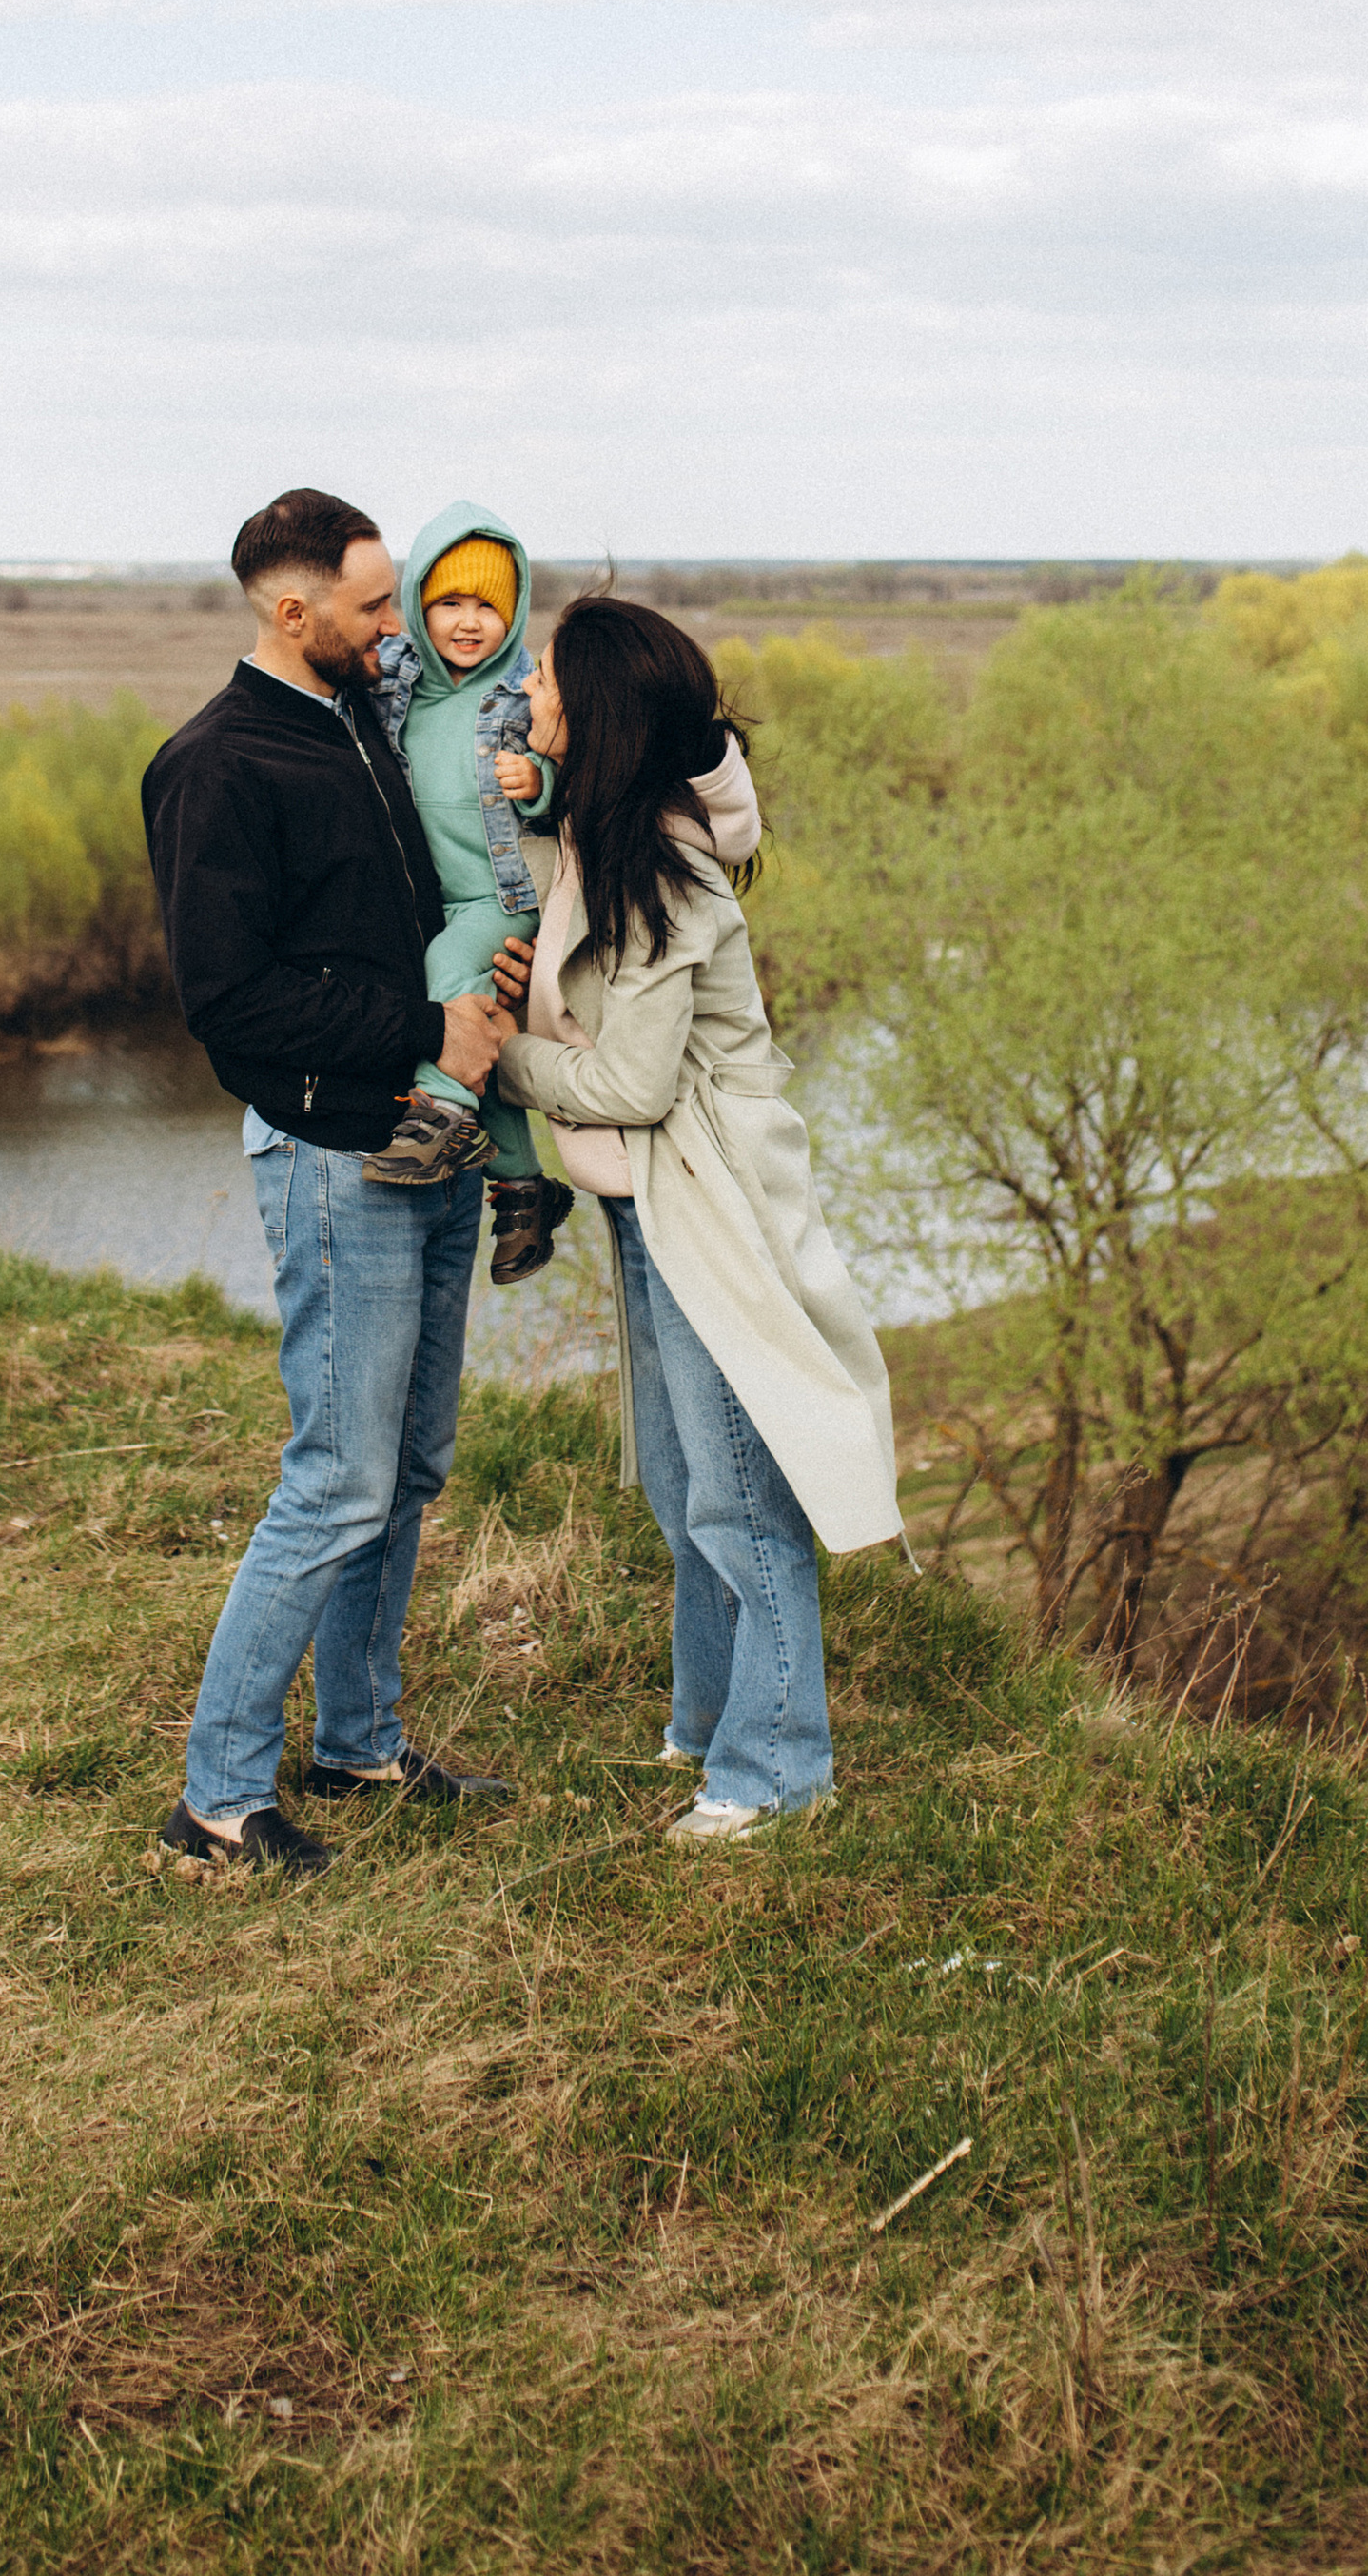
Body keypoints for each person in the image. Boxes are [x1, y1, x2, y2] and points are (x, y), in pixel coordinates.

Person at [138, 486, 518, 1883]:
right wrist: (426, 1031)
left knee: (407, 1469)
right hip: (333, 1157)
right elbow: (229, 1008)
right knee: (337, 1478)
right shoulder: (217, 767)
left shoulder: (364, 717)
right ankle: (217, 1806)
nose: (394, 626)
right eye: (370, 606)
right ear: (292, 613)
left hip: (436, 1143)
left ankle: (359, 1742)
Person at [489, 597, 902, 1844]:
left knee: (734, 1492)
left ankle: (777, 1768)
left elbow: (633, 1084)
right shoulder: (602, 837)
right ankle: (707, 1723)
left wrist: (505, 1059)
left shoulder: (662, 873)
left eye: (549, 678)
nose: (530, 694)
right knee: (680, 1486)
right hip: (645, 1202)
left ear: (598, 708)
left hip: (703, 1201)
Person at [360, 501, 576, 1291]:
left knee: (452, 971)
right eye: (449, 601)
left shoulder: (529, 691)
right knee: (476, 1020)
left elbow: (581, 788)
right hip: (431, 895)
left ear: (515, 610)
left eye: (489, 605)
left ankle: (435, 1114)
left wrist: (540, 781)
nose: (468, 622)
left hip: (502, 893)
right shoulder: (398, 687)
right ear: (419, 602)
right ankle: (523, 1190)